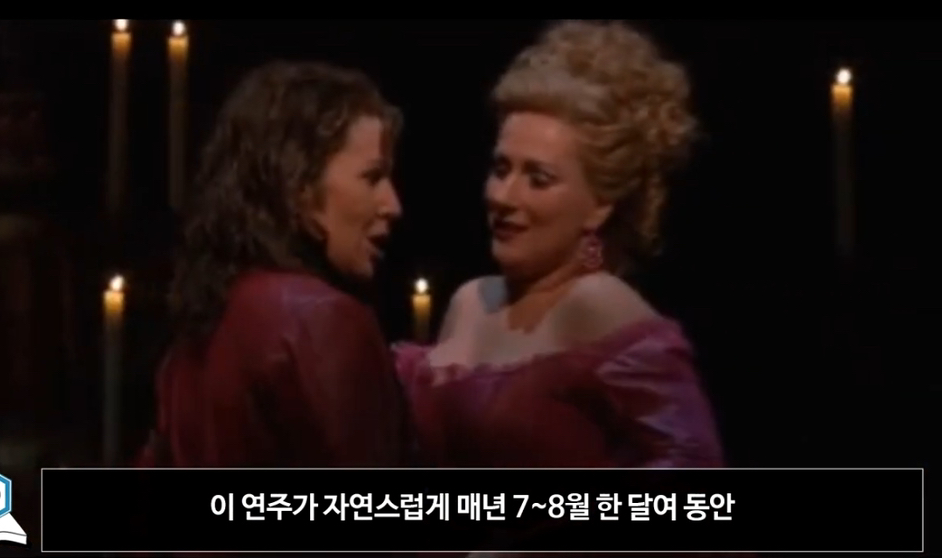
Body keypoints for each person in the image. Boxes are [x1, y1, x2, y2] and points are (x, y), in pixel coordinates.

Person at [395, 20, 723, 470]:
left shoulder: (598, 304)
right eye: (501, 169)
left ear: (599, 207)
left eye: (538, 179)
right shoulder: (470, 301)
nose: (503, 196)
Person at [135, 61, 408, 468]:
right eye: (371, 178)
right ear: (299, 188)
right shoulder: (322, 319)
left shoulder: (204, 321)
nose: (393, 205)